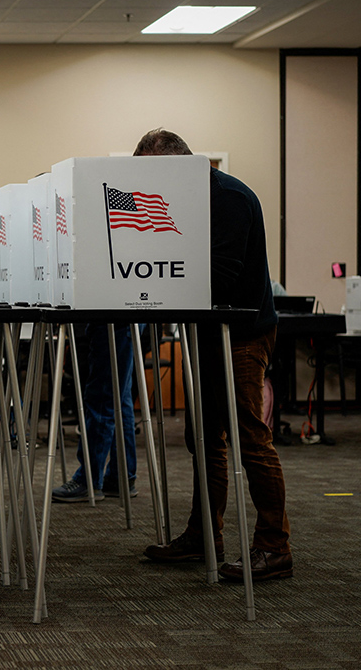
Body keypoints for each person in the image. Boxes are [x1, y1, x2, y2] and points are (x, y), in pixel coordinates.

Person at [136, 129, 292, 581]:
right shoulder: (189, 198)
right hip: (206, 334)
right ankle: (205, 534)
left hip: (242, 334)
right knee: (201, 437)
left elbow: (221, 276)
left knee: (249, 438)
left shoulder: (228, 198)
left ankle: (274, 546)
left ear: (178, 165)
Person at [52, 323, 139, 503]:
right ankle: (121, 476)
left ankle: (89, 479)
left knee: (102, 396)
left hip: (111, 316)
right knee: (120, 398)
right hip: (127, 314)